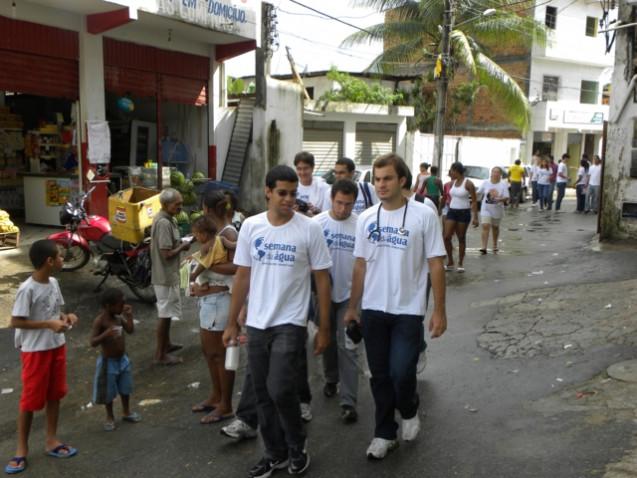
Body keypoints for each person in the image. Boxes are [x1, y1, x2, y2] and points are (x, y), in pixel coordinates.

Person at [223, 164, 333, 477]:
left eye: (292, 194)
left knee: (280, 388)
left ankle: (297, 445)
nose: (288, 199)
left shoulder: (309, 228)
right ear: (268, 192)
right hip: (257, 323)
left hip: (291, 322)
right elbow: (243, 275)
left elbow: (322, 280)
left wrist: (324, 328)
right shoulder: (252, 227)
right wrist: (232, 323)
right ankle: (275, 453)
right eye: (281, 193)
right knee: (261, 392)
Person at [343, 153, 447, 460]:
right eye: (376, 179)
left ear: (402, 180)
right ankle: (384, 433)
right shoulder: (366, 218)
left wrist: (439, 310)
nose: (381, 184)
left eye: (387, 178)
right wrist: (353, 307)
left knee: (402, 373)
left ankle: (410, 408)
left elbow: (436, 264)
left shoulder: (423, 215)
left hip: (408, 309)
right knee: (380, 376)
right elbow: (360, 266)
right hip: (374, 309)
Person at [6, 239, 79, 475]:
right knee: (30, 400)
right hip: (35, 351)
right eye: (59, 256)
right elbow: (15, 321)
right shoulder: (27, 289)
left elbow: (55, 310)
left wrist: (66, 317)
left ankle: (51, 441)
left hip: (57, 346)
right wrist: (47, 324)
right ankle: (21, 450)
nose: (62, 259)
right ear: (49, 261)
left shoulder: (54, 282)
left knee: (55, 394)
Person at [190, 192, 239, 424]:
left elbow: (237, 267)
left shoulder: (228, 234)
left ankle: (226, 404)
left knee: (219, 355)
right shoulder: (210, 233)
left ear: (207, 209)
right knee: (209, 353)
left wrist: (207, 265)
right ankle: (216, 396)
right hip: (209, 300)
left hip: (221, 301)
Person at [314, 179, 361, 423]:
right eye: (339, 203)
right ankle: (331, 378)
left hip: (349, 298)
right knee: (327, 340)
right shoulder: (316, 224)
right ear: (331, 198)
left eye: (349, 205)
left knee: (349, 348)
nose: (343, 209)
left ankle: (349, 401)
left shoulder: (361, 225)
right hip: (321, 297)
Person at [90, 288, 141, 431]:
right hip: (108, 362)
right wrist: (106, 334)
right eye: (120, 304)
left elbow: (130, 330)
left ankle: (126, 411)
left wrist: (129, 316)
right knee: (108, 392)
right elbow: (92, 342)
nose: (123, 306)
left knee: (126, 387)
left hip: (122, 360)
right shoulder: (100, 321)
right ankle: (110, 416)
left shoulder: (119, 317)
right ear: (108, 306)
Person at [151, 188, 190, 365]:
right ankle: (160, 354)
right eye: (177, 204)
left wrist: (182, 243)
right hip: (164, 275)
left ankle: (166, 344)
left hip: (169, 273)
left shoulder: (169, 219)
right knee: (165, 314)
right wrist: (183, 246)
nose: (180, 207)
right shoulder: (164, 223)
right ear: (166, 205)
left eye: (181, 203)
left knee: (167, 312)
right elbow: (166, 254)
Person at [443, 162, 479, 273]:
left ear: (457, 171)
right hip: (452, 211)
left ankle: (460, 263)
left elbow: (474, 201)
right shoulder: (453, 182)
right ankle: (450, 262)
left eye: (451, 170)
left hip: (464, 212)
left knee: (461, 238)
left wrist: (475, 217)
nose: (450, 173)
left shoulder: (468, 184)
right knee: (446, 237)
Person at [477, 167, 510, 254]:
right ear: (491, 173)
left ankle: (495, 244)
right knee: (485, 225)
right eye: (493, 172)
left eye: (497, 172)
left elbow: (507, 197)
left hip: (497, 209)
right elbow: (479, 192)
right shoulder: (485, 182)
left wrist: (500, 200)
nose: (495, 174)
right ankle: (484, 247)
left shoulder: (503, 184)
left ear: (500, 175)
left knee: (495, 227)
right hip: (485, 208)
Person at [294, 151, 330, 216]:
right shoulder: (292, 187)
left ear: (313, 167)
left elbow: (328, 214)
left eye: (305, 168)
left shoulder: (324, 187)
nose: (302, 172)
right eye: (299, 169)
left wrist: (315, 211)